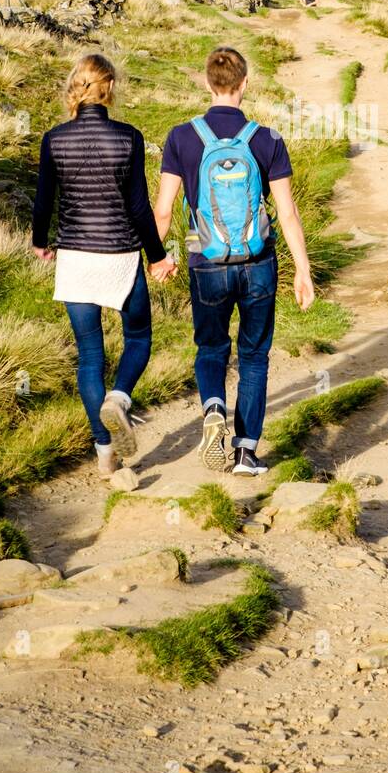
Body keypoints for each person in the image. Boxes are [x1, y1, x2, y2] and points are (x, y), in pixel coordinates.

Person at [154, 46, 315, 476]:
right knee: (254, 355)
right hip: (258, 260)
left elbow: (165, 211)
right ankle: (245, 452)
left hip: (206, 263)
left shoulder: (181, 137)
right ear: (245, 85)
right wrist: (303, 269)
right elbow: (287, 211)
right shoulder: (268, 139)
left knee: (211, 347)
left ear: (208, 84)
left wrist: (157, 259)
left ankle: (212, 408)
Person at [31, 53, 175, 478]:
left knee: (90, 355)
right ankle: (120, 399)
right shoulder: (128, 137)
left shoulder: (54, 139)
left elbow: (44, 202)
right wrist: (158, 256)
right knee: (139, 337)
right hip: (121, 256)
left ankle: (105, 456)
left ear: (77, 86)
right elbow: (138, 207)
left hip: (75, 256)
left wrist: (41, 242)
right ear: (109, 88)